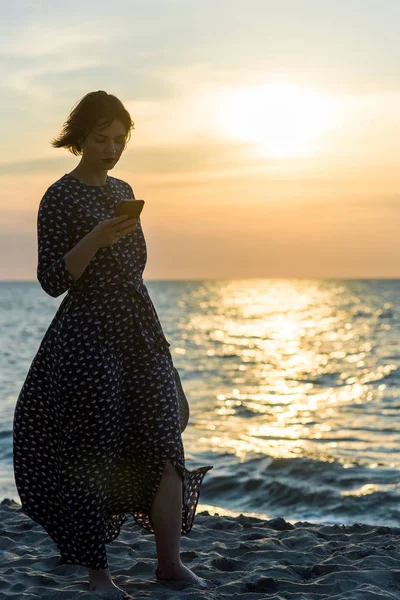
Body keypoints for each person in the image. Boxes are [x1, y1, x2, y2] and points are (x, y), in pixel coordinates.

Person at [13, 90, 213, 600]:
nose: (111, 148)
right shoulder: (58, 196)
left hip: (138, 328)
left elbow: (135, 271)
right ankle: (98, 576)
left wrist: (161, 348)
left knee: (167, 445)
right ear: (78, 139)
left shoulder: (123, 188)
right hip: (86, 337)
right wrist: (96, 240)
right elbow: (52, 279)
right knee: (93, 453)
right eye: (101, 138)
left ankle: (169, 563)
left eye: (119, 139)